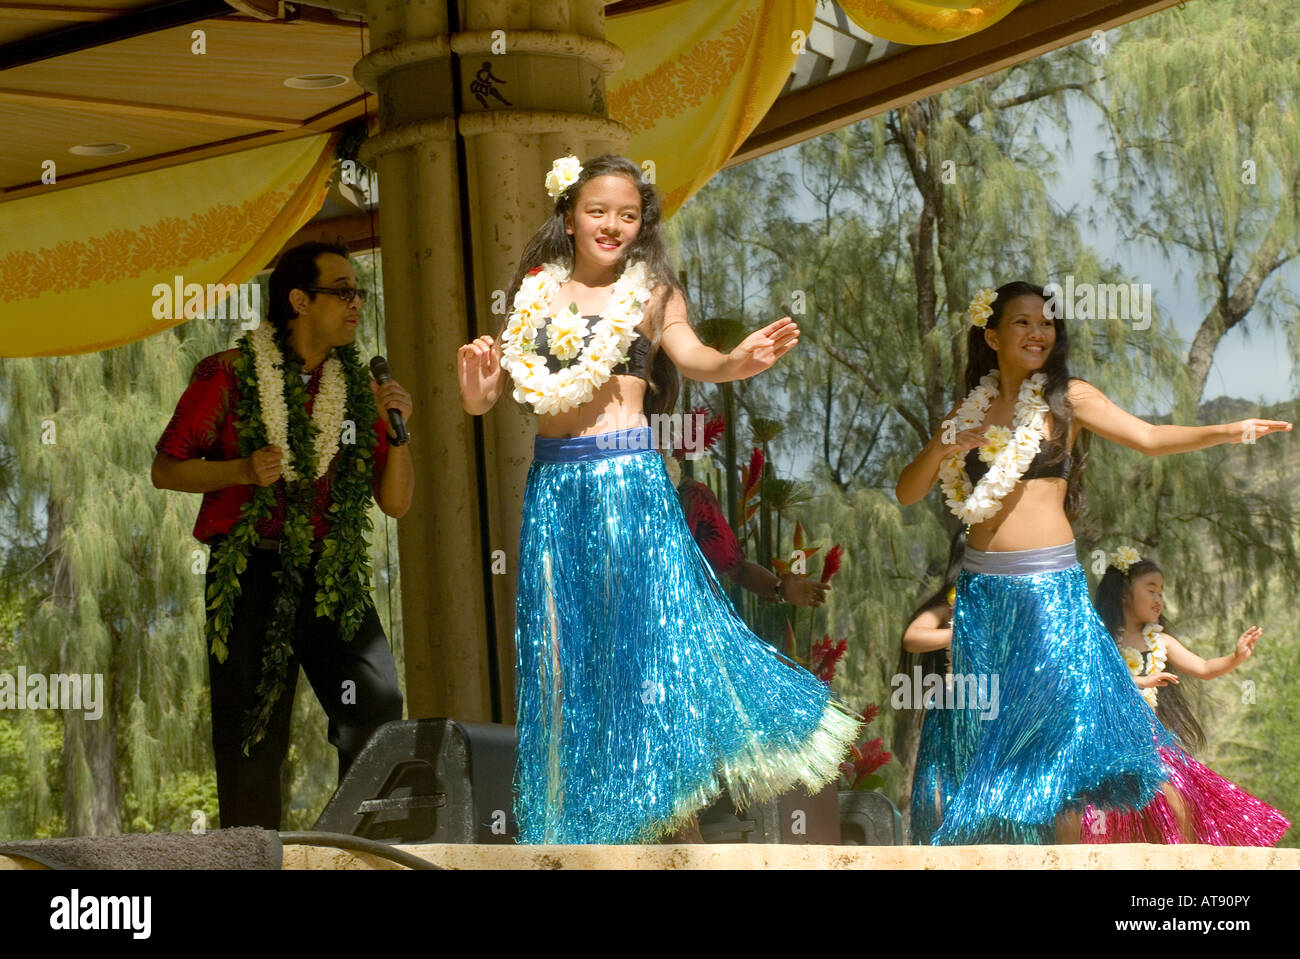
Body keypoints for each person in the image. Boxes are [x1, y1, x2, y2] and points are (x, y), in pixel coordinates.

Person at [456, 154, 861, 845]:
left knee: (645, 655)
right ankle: (589, 824)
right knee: (567, 663)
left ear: (641, 223)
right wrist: (478, 389)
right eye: (597, 211)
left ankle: (673, 830)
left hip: (628, 485)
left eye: (628, 214)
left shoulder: (652, 291)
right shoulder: (535, 295)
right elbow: (495, 397)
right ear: (567, 216)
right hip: (555, 490)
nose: (612, 224)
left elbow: (695, 355)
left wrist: (737, 362)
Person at [895, 280, 1291, 844]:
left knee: (1072, 733)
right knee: (988, 739)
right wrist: (942, 445)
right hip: (984, 596)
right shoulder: (968, 410)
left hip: (1048, 591)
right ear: (992, 335)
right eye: (1023, 322)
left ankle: (1163, 845)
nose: (1039, 333)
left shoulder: (1067, 398)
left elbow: (1150, 437)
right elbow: (908, 492)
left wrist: (1229, 430)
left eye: (1047, 323)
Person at [152, 240, 413, 829]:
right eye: (343, 291)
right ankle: (251, 862)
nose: (356, 304)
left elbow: (395, 502)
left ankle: (354, 851)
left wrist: (398, 432)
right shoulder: (231, 373)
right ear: (299, 299)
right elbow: (165, 468)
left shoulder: (356, 388)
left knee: (375, 705)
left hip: (332, 572)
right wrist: (240, 471)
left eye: (359, 293)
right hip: (250, 571)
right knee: (252, 734)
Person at [1082, 548, 1288, 843]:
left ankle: (1182, 860)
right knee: (1090, 813)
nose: (1158, 599)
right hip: (1106, 740)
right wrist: (1142, 680)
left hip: (1149, 741)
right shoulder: (1102, 641)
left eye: (1161, 592)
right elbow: (1098, 681)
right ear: (1125, 593)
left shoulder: (1161, 641)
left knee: (1177, 800)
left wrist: (1235, 657)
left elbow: (1203, 667)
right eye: (1150, 590)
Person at [897, 528, 965, 844]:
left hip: (1002, 711)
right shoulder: (950, 603)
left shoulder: (1011, 600)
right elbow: (913, 638)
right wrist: (962, 632)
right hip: (957, 707)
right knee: (942, 797)